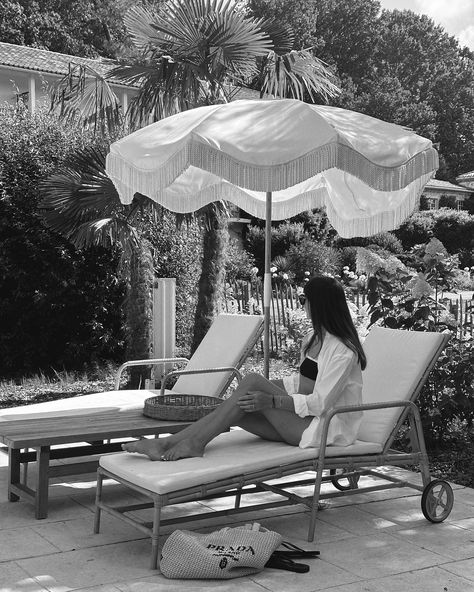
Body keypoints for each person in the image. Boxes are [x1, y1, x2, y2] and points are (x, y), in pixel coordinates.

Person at [122, 275, 367, 461]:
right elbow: (302, 383)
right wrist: (268, 393)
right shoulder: (313, 339)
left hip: (324, 429)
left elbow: (321, 403)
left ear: (319, 305)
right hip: (300, 421)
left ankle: (182, 443)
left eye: (304, 300)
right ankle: (174, 443)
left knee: (251, 381)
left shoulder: (344, 351)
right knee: (237, 403)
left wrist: (270, 400)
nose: (302, 304)